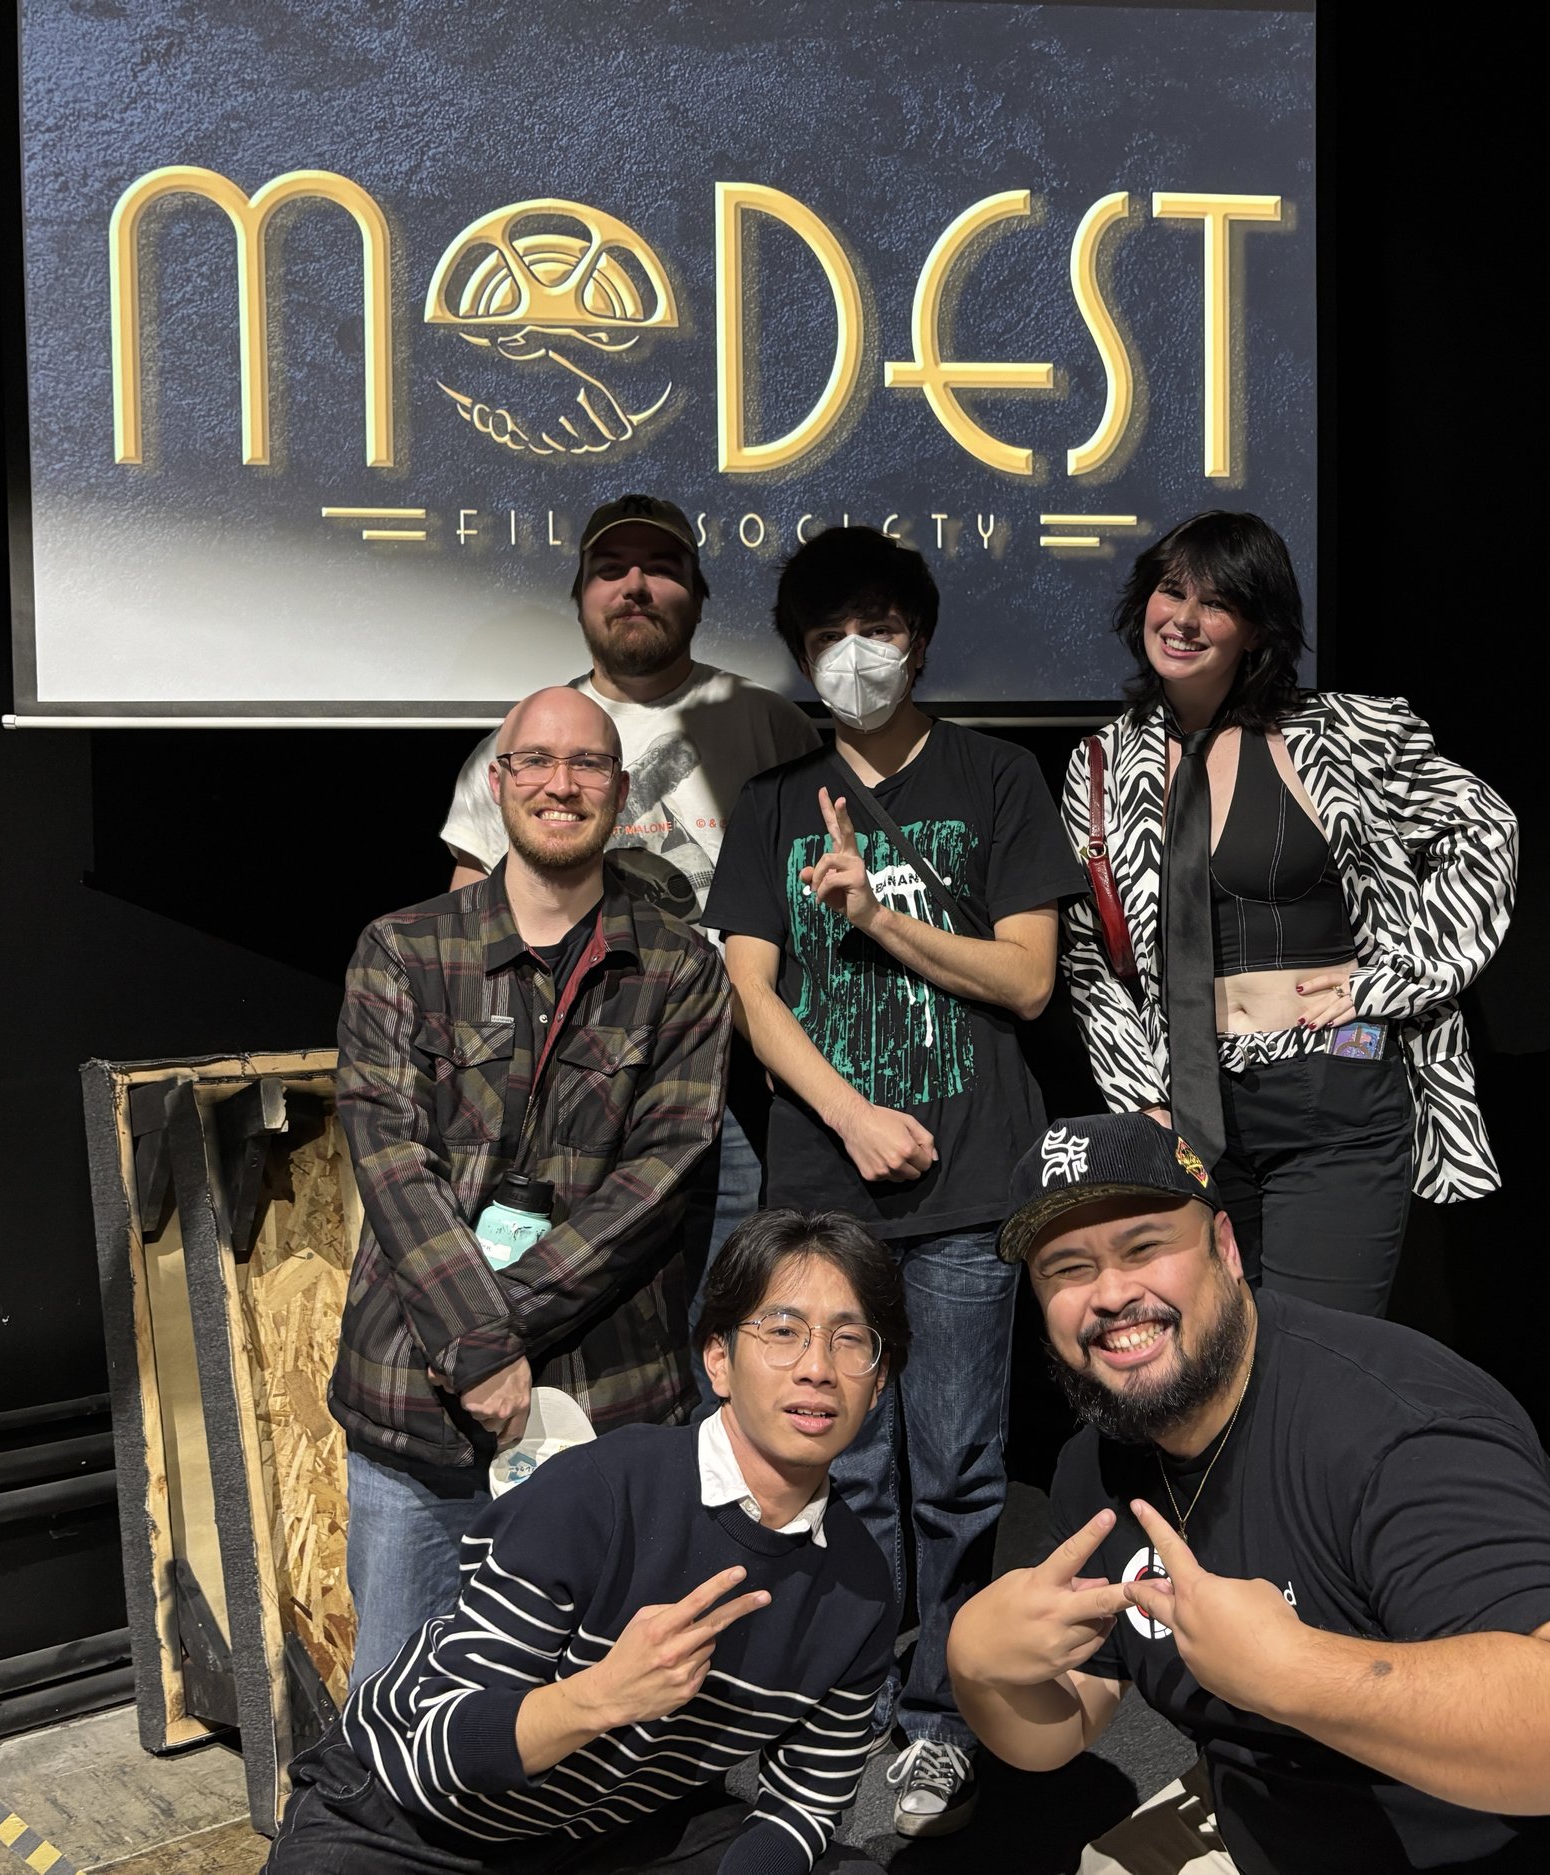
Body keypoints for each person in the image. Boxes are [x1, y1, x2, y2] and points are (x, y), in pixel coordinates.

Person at [949, 1111, 1550, 1875]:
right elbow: (1069, 1721)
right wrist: (982, 1669)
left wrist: (1292, 1668)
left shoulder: (1389, 1427)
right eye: (1068, 1268)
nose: (1109, 1293)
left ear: (1224, 1247)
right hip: (1309, 1830)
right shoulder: (1100, 1463)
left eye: (1143, 1246)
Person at [703, 526, 1089, 1836]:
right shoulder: (773, 798)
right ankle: (845, 1696)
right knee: (842, 1465)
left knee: (960, 1470)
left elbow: (1027, 979)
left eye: (875, 626)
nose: (854, 654)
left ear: (918, 638)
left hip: (973, 1190)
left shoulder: (996, 777)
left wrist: (875, 915)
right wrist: (853, 1115)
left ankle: (939, 1715)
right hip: (827, 1189)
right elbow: (752, 993)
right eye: (827, 635)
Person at [271, 1210, 905, 1874]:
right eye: (782, 1331)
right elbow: (435, 1746)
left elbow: (803, 1802)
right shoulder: (598, 1491)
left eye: (850, 1340)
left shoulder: (860, 1585)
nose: (817, 1367)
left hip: (615, 1829)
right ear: (719, 1360)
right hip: (411, 1822)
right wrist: (603, 1695)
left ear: (879, 1381)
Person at [333, 684, 731, 1689]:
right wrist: (475, 1347)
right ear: (498, 784)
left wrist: (489, 1333)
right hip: (416, 1410)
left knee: (603, 1718)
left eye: (588, 763)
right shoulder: (402, 949)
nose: (562, 784)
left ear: (622, 792)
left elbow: (661, 1174)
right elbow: (390, 1159)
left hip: (607, 1407)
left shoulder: (681, 969)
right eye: (537, 761)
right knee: (398, 1709)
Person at [1058, 511, 1517, 1315]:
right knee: (1220, 1354)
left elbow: (1486, 830)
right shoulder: (1101, 765)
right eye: (1171, 591)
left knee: (1316, 1347)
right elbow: (1092, 959)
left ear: (1258, 628)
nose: (1185, 619)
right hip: (1191, 1108)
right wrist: (1142, 1098)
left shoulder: (1344, 735)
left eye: (1217, 602)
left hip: (1332, 1087)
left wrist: (1395, 978)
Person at [440, 494, 818, 1306]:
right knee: (573, 1304)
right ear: (580, 596)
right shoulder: (522, 742)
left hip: (732, 1084)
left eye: (662, 568)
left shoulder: (771, 726)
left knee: (726, 1311)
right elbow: (466, 932)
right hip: (563, 1081)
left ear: (701, 594)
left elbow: (817, 909)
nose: (635, 586)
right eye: (611, 569)